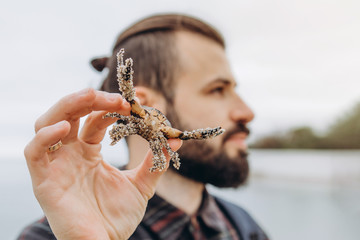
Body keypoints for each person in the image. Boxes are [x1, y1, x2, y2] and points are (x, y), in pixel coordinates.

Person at [18, 14, 269, 240]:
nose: (247, 112)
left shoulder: (246, 227)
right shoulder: (49, 236)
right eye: (217, 89)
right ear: (142, 102)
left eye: (235, 89)